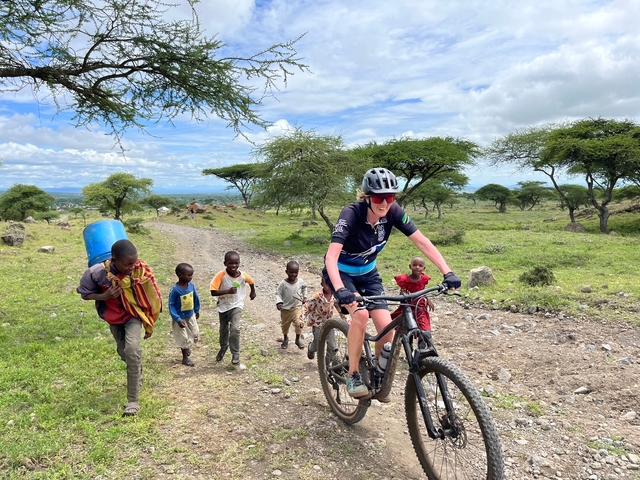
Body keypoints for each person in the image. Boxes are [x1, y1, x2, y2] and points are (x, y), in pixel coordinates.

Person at [323, 167, 461, 398]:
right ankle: (354, 374)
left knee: (387, 330)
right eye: (378, 197)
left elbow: (422, 242)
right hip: (341, 273)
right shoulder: (351, 214)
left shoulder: (394, 212)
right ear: (367, 197)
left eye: (390, 197)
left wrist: (447, 272)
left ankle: (377, 374)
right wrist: (339, 289)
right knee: (361, 315)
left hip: (368, 273)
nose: (384, 203)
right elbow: (330, 257)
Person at [77, 239, 162, 416]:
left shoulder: (140, 269)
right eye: (127, 264)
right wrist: (104, 296)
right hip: (114, 317)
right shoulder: (97, 273)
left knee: (131, 350)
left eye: (134, 262)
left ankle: (132, 401)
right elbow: (84, 294)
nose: (133, 267)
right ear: (114, 259)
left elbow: (150, 291)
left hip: (134, 315)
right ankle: (137, 370)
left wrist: (149, 316)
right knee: (124, 352)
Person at [210, 251, 256, 365]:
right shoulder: (221, 275)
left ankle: (235, 353)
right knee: (223, 330)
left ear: (239, 263)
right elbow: (213, 292)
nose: (234, 266)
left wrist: (253, 292)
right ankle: (223, 347)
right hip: (223, 306)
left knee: (235, 329)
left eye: (236, 263)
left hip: (236, 305)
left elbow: (251, 281)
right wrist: (227, 291)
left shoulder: (242, 275)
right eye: (231, 263)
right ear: (225, 263)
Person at [305, 277, 346, 360]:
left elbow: (339, 308)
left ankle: (326, 365)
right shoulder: (317, 296)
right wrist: (301, 318)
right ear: (322, 285)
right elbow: (307, 306)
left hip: (329, 324)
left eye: (331, 284)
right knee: (317, 344)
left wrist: (345, 319)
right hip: (317, 323)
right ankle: (311, 348)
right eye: (327, 284)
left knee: (332, 347)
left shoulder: (334, 296)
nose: (329, 286)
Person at [168, 263, 201, 367]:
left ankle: (187, 347)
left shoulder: (191, 286)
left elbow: (195, 297)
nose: (191, 277)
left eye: (192, 275)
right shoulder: (175, 290)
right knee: (183, 338)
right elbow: (171, 305)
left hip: (190, 315)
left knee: (195, 334)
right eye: (189, 275)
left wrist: (197, 310)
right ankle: (185, 358)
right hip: (179, 317)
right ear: (180, 275)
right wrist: (177, 319)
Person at [390, 256, 435, 331]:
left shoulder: (424, 279)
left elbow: (422, 290)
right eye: (414, 265)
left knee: (425, 329)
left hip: (420, 307)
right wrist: (403, 294)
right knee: (404, 328)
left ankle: (423, 341)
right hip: (407, 306)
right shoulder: (404, 280)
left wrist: (428, 300)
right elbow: (402, 293)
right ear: (410, 266)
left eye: (420, 266)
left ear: (424, 268)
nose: (417, 267)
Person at [275, 260, 307, 349]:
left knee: (299, 323)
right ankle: (285, 338)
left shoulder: (300, 282)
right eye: (291, 272)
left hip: (296, 307)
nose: (293, 274)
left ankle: (297, 339)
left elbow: (304, 288)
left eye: (295, 272)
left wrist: (304, 297)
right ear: (286, 272)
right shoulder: (283, 284)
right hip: (285, 309)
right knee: (285, 325)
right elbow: (278, 293)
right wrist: (279, 302)